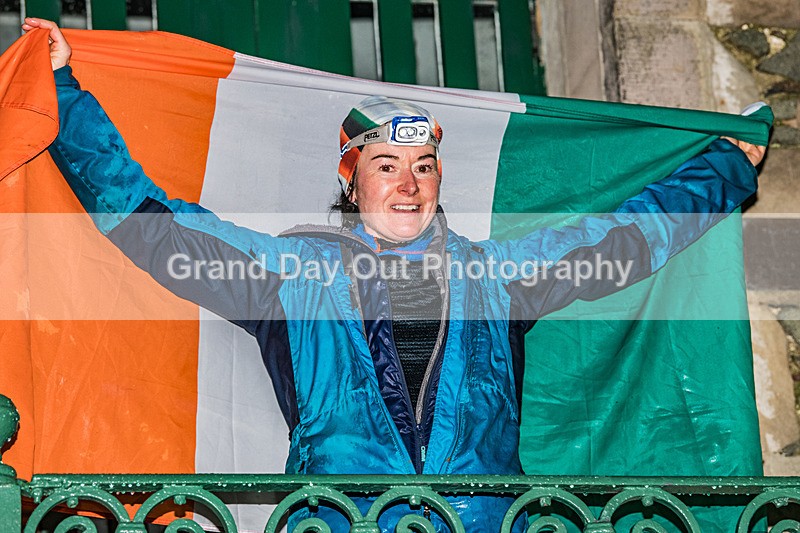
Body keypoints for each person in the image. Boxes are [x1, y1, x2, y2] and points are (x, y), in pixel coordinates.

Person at [22, 17, 767, 533]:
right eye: (386, 166)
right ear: (353, 183)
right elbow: (151, 224)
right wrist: (62, 93)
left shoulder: (498, 276)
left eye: (423, 166)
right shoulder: (291, 275)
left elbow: (626, 240)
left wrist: (726, 167)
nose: (408, 184)